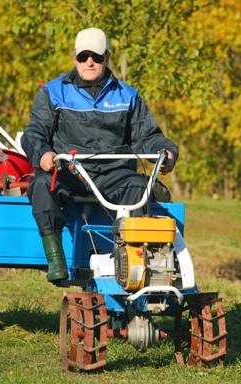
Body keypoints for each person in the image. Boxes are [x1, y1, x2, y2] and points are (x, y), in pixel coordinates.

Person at [21, 27, 178, 285]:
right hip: (70, 174)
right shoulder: (53, 91)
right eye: (83, 57)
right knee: (40, 184)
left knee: (140, 188)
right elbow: (34, 132)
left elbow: (147, 134)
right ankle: (56, 259)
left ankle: (131, 264)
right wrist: (44, 153)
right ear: (75, 58)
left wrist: (167, 151)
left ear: (106, 58)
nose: (89, 62)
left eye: (96, 56)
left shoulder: (128, 95)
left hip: (114, 174)